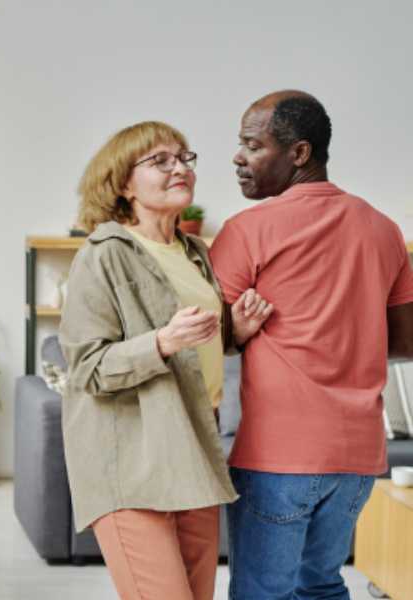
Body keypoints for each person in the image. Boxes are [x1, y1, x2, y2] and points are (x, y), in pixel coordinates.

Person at [209, 90, 413, 599]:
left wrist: (240, 333)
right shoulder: (384, 230)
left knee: (262, 593)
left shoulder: (246, 230)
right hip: (356, 458)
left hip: (278, 455)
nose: (238, 157)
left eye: (253, 145)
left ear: (299, 153)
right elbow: (406, 342)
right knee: (321, 586)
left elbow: (204, 340)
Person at [60, 121, 272, 600]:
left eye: (184, 158)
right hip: (132, 460)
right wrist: (161, 342)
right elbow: (88, 367)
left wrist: (232, 332)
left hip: (194, 447)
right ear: (124, 183)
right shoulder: (102, 255)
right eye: (160, 161)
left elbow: (195, 345)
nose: (180, 168)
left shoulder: (195, 252)